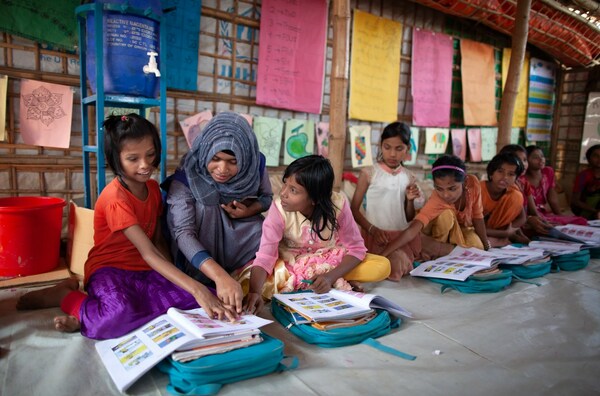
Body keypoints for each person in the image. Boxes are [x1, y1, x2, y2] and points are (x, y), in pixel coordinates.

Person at [16, 114, 238, 340]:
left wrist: (178, 282)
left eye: (150, 155)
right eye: (133, 158)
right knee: (118, 315)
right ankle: (67, 297)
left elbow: (158, 241)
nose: (145, 165)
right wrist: (195, 288)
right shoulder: (115, 198)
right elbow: (148, 252)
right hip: (110, 270)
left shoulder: (152, 188)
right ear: (116, 159)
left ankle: (86, 314)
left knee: (201, 302)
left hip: (146, 270)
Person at [240, 155, 391, 314]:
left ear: (315, 199)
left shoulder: (338, 204)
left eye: (293, 190)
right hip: (291, 266)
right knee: (246, 284)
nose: (283, 193)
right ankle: (325, 281)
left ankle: (323, 281)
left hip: (330, 260)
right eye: (285, 184)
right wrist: (254, 293)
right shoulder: (278, 209)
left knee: (382, 266)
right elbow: (265, 256)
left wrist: (329, 277)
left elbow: (357, 249)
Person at [163, 112, 273, 313]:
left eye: (233, 161)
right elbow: (183, 234)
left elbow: (266, 198)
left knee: (260, 226)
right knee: (206, 206)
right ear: (206, 152)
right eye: (215, 159)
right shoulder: (188, 175)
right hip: (200, 244)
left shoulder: (253, 163)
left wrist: (249, 210)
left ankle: (237, 274)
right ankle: (209, 275)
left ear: (244, 156)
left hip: (235, 237)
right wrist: (220, 276)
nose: (223, 169)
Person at [350, 122, 450, 280]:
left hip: (401, 236)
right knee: (391, 267)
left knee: (397, 264)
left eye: (399, 149)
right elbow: (353, 209)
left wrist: (410, 201)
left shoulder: (408, 176)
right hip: (375, 235)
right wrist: (373, 230)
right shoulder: (369, 173)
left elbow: (409, 216)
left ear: (407, 149)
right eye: (387, 147)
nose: (392, 154)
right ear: (380, 146)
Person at [377, 155, 490, 257]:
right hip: (436, 233)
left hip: (459, 231)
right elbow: (412, 230)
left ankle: (441, 249)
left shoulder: (473, 183)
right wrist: (384, 254)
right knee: (446, 215)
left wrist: (486, 247)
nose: (445, 195)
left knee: (478, 248)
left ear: (464, 182)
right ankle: (436, 248)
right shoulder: (437, 199)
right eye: (439, 188)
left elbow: (477, 216)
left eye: (452, 188)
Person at [523, 145, 587, 225]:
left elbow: (552, 199)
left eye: (542, 156)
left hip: (543, 214)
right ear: (525, 161)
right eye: (535, 157)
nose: (541, 159)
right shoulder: (522, 178)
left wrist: (560, 216)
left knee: (580, 221)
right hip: (529, 217)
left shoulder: (548, 172)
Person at [498, 144, 552, 236]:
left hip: (524, 225)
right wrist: (529, 220)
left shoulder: (524, 183)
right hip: (508, 227)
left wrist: (544, 223)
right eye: (518, 160)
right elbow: (506, 218)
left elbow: (534, 211)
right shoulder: (502, 185)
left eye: (525, 160)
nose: (523, 164)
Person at [480, 153, 529, 247]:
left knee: (517, 196)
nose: (505, 177)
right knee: (478, 242)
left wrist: (511, 229)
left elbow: (522, 218)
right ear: (491, 173)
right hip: (474, 231)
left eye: (511, 174)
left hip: (496, 232)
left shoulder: (512, 193)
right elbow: (470, 227)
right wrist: (505, 234)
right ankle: (502, 240)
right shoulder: (478, 190)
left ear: (516, 178)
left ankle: (502, 240)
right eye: (500, 171)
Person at [571, 144, 600, 220]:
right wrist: (596, 211)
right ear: (589, 158)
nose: (599, 159)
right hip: (585, 212)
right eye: (595, 156)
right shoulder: (583, 176)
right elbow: (575, 201)